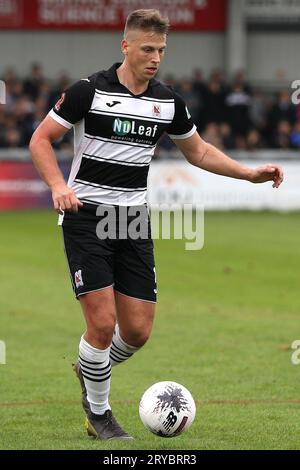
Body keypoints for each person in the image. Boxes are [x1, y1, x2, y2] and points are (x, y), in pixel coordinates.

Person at [29, 9, 284, 441]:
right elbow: (40, 139)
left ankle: (91, 368)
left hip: (131, 219)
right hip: (86, 217)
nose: (156, 57)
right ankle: (100, 412)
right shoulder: (87, 91)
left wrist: (248, 173)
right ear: (125, 46)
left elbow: (199, 152)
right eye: (147, 49)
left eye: (161, 50)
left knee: (138, 331)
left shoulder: (167, 101)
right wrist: (57, 185)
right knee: (103, 323)